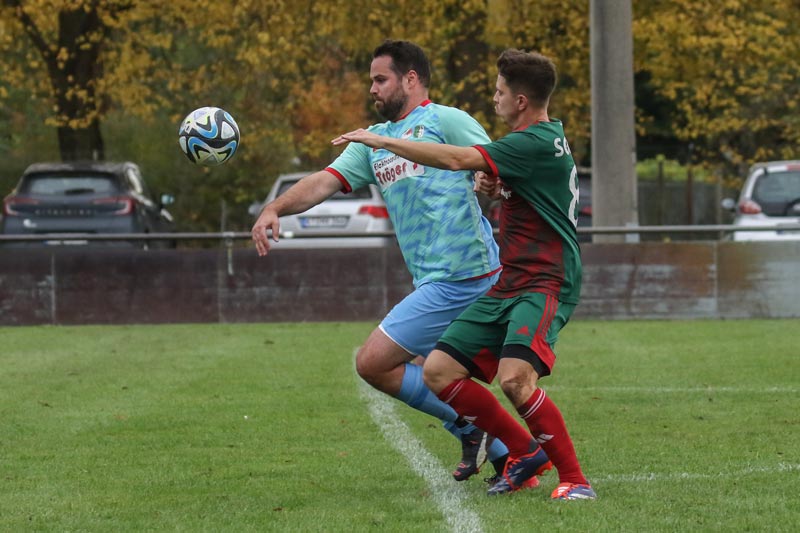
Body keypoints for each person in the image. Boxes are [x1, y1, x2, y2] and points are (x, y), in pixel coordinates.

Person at [333, 48, 596, 500]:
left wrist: (384, 142)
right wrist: (495, 186)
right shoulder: (532, 142)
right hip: (510, 280)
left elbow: (456, 159)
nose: (494, 98)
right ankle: (522, 453)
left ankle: (575, 481)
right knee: (438, 370)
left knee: (514, 379)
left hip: (545, 280)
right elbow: (507, 186)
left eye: (499, 92)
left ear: (520, 101)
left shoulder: (530, 143)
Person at [252, 40, 518, 484]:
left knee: (373, 362)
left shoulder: (445, 120)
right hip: (433, 280)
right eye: (371, 81)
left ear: (410, 79)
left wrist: (490, 182)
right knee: (434, 373)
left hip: (466, 275)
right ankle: (510, 453)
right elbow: (323, 181)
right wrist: (274, 207)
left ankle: (474, 430)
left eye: (380, 79)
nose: (372, 89)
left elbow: (498, 165)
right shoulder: (372, 142)